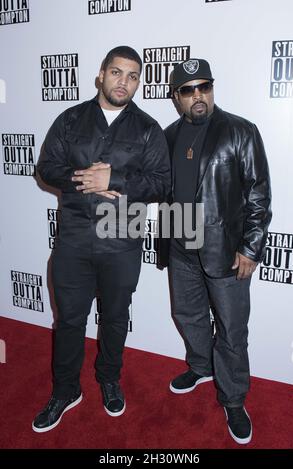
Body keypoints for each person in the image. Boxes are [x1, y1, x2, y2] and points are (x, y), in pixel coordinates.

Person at [33, 46, 170, 432]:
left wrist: (115, 181)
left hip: (122, 237)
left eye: (131, 76)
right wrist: (83, 178)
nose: (123, 81)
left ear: (138, 82)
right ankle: (65, 390)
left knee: (114, 317)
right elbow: (46, 167)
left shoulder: (148, 129)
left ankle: (109, 378)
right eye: (116, 72)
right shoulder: (70, 119)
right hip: (74, 237)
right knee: (70, 319)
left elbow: (163, 183)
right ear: (101, 75)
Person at [158, 59, 272, 444]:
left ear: (212, 88)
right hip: (180, 243)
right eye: (188, 90)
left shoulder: (240, 131)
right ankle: (200, 365)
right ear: (176, 97)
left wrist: (251, 248)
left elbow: (259, 195)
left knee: (231, 328)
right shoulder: (168, 135)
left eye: (204, 86)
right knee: (186, 314)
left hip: (225, 249)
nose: (198, 95)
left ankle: (234, 398)